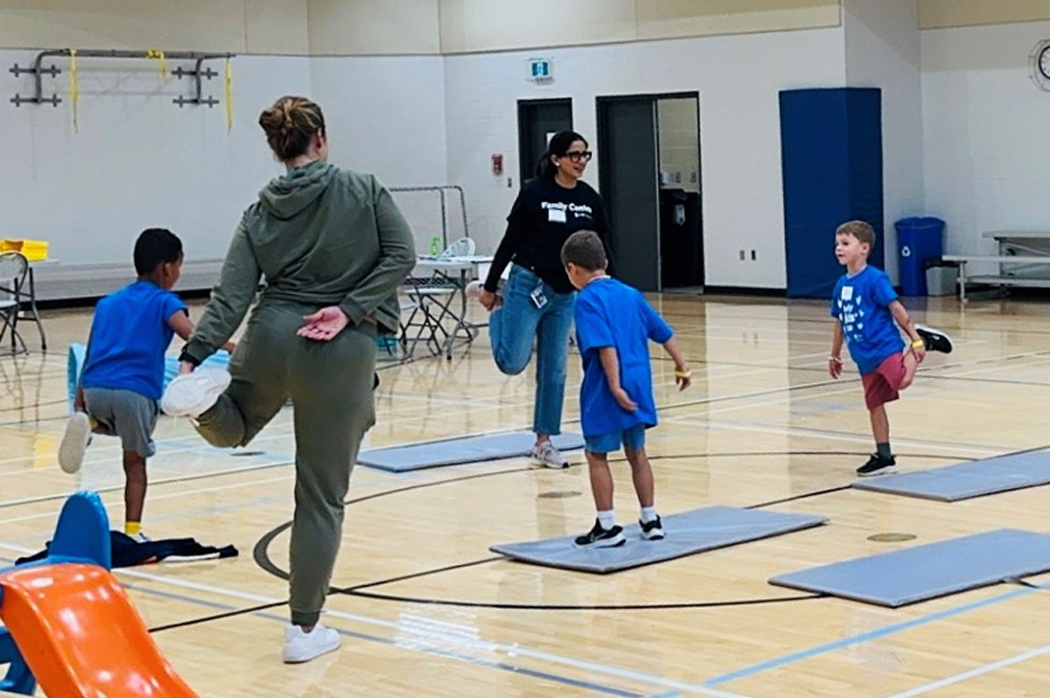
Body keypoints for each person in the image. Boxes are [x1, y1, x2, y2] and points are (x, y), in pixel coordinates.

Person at [160, 96, 415, 663]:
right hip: (339, 346)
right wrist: (349, 309)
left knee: (235, 426)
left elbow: (231, 297)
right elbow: (402, 256)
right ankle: (303, 630)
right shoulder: (364, 189)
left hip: (272, 334)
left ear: (279, 148)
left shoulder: (257, 212)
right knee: (320, 498)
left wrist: (192, 360)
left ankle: (201, 405)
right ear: (320, 137)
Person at [59, 228, 235, 541]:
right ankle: (133, 531)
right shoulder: (165, 302)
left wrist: (78, 402)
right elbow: (192, 335)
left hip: (96, 387)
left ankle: (91, 423)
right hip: (135, 392)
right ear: (167, 267)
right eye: (180, 266)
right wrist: (233, 348)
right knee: (135, 463)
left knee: (114, 424)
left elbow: (91, 351)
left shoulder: (108, 304)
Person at [468, 131, 614, 469]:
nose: (580, 161)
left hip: (565, 293)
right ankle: (498, 308)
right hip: (527, 282)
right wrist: (490, 286)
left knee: (555, 370)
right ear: (556, 159)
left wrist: (610, 290)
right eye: (574, 155)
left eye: (585, 155)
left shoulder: (589, 199)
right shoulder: (535, 194)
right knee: (513, 362)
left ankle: (544, 440)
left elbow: (603, 248)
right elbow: (511, 240)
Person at [560, 230, 691, 548]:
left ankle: (607, 526)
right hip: (640, 385)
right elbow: (663, 332)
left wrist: (615, 387)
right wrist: (682, 365)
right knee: (637, 453)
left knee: (596, 455)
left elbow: (605, 346)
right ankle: (650, 519)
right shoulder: (631, 294)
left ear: (572, 270)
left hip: (607, 388)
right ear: (604, 262)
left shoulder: (587, 301)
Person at [828, 220, 953, 477]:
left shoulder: (874, 279)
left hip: (884, 346)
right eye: (837, 244)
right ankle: (884, 456)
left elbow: (896, 309)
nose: (839, 249)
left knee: (902, 380)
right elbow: (839, 321)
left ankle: (928, 340)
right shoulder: (841, 285)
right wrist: (835, 353)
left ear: (864, 248)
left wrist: (915, 338)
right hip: (863, 356)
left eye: (845, 243)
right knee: (875, 403)